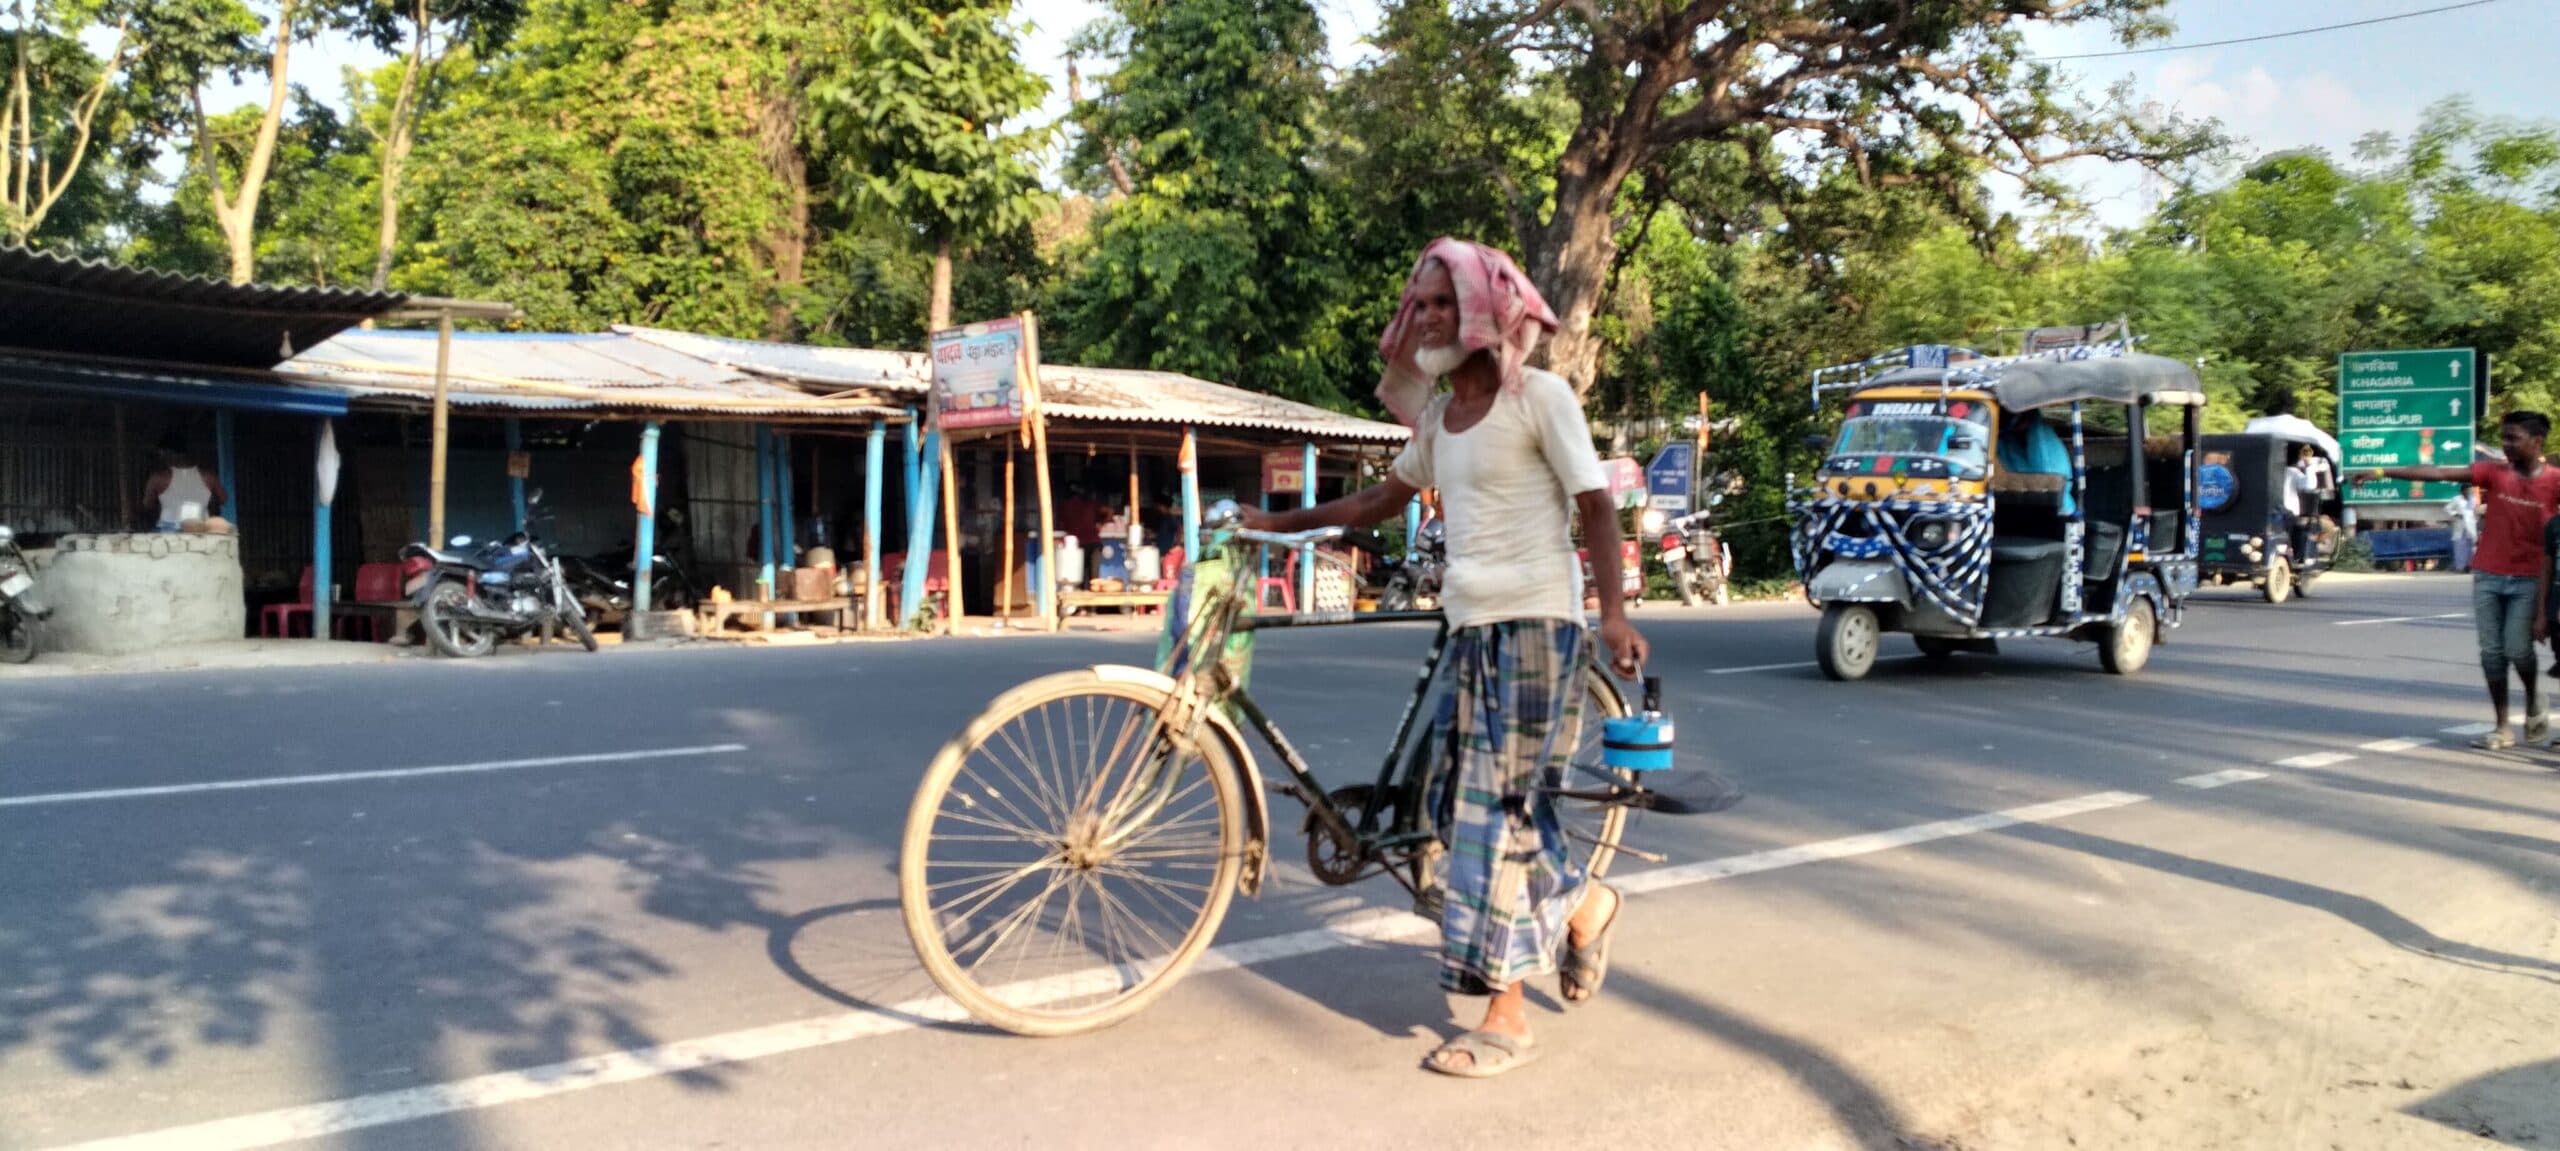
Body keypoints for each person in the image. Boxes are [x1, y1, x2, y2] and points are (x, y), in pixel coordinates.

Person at [1245, 238, 1645, 1078]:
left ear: (1483, 311)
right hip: (1469, 632)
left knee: (1493, 817)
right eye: (1418, 303)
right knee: (1474, 810)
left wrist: (1610, 615)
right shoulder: (1438, 419)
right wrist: (1273, 523)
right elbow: (1379, 499)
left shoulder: (1540, 398)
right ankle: (1587, 906)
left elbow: (1598, 508)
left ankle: (1506, 1015)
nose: (1426, 315)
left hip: (1538, 628)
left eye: (1441, 301)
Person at [2372, 410, 2560, 749]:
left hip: (2530, 578)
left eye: (2512, 439)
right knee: (2491, 652)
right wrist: (2383, 471)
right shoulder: (2494, 473)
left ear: (2536, 442)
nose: (2505, 445)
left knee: (2518, 649)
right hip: (2488, 573)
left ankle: (2533, 698)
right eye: (2503, 438)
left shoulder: (2554, 482)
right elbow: (2440, 471)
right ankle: (2502, 727)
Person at [1996, 410, 2075, 515]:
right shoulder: (2009, 441)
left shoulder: (2043, 446)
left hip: (2055, 511)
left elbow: (2047, 488)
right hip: (2018, 504)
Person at [142, 434, 227, 532]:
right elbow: (223, 499)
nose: (160, 457)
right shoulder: (209, 477)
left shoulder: (157, 479)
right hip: (200, 529)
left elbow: (147, 505)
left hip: (169, 531)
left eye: (161, 453)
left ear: (167, 453)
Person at [2448, 487, 2479, 573]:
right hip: (2460, 525)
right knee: (2460, 548)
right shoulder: (2456, 499)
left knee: (2471, 547)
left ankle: (2469, 566)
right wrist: (2456, 514)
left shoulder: (2472, 499)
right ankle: (2460, 567)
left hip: (2471, 525)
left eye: (2470, 490)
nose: (2469, 492)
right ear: (2462, 491)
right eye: (2467, 490)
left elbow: (2474, 511)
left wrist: (2475, 518)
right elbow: (2448, 509)